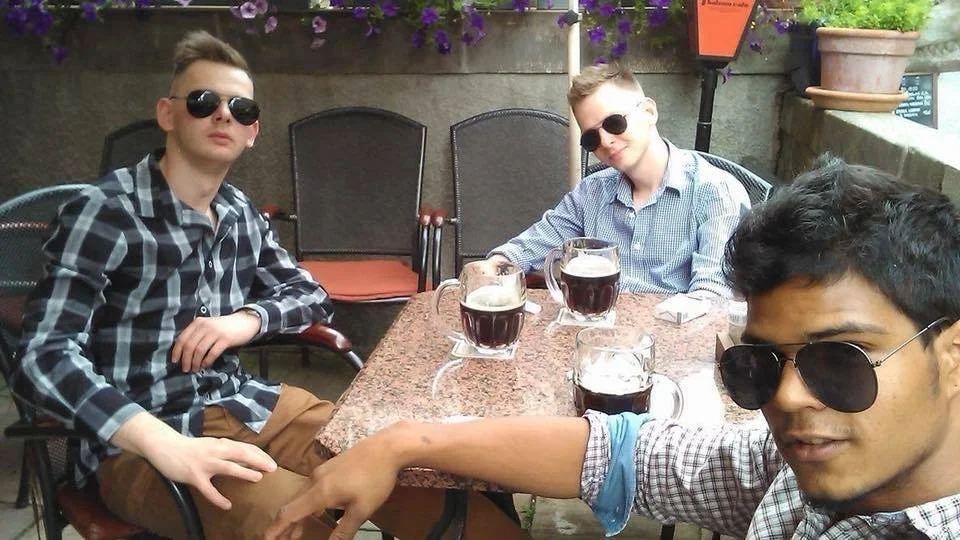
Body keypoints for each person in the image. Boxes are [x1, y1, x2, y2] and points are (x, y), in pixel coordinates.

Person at [267, 156, 960, 539]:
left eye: (841, 360)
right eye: (760, 366)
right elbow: (623, 452)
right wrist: (403, 441)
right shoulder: (785, 466)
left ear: (951, 355)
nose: (786, 398)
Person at [12, 30, 527, 540]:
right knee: (302, 518)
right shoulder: (105, 212)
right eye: (202, 101)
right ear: (167, 114)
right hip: (139, 442)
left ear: (252, 132)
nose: (223, 115)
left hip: (245, 403)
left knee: (415, 469)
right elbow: (42, 355)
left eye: (241, 108)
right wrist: (156, 440)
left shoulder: (238, 211)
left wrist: (245, 321)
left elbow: (310, 295)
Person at [489, 63, 751, 297]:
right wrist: (494, 266)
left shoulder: (715, 191)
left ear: (649, 111)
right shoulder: (592, 192)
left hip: (674, 343)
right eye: (591, 138)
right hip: (594, 337)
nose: (605, 141)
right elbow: (527, 248)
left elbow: (712, 296)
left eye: (614, 123)